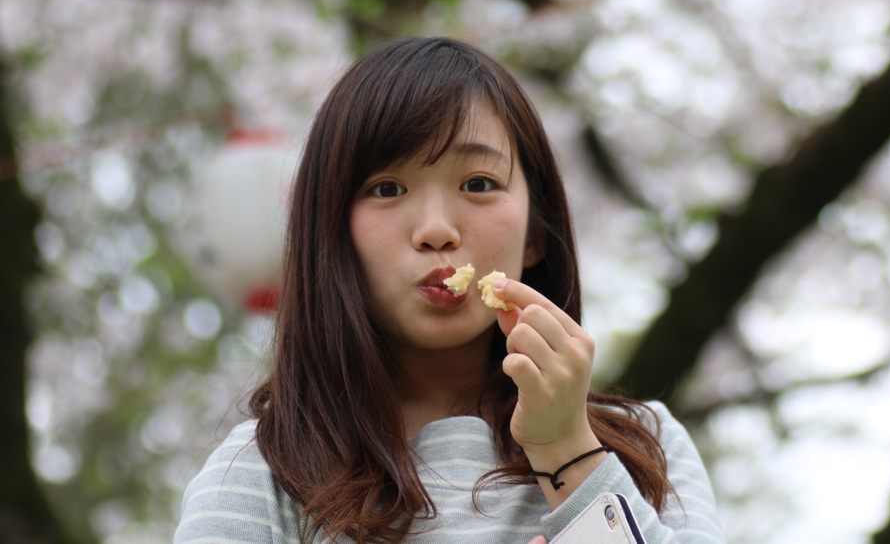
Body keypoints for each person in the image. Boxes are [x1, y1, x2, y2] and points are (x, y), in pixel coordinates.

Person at [174, 37, 726, 544]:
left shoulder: (647, 448)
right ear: (332, 235)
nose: (437, 229)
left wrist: (567, 449)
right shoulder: (265, 473)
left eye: (479, 184)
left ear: (537, 232)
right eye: (387, 188)